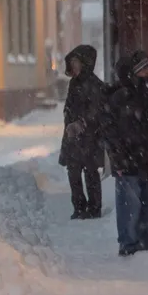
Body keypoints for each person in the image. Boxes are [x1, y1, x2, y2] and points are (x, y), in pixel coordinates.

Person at [104, 50, 148, 256]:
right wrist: (118, 158)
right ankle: (129, 244)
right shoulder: (120, 97)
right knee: (130, 204)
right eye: (143, 69)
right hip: (127, 160)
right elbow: (110, 131)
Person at [59, 45, 106, 219]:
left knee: (91, 172)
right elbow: (70, 107)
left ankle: (94, 209)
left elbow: (96, 111)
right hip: (73, 137)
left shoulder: (94, 84)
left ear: (85, 63)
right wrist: (68, 120)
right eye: (72, 62)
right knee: (73, 171)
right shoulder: (74, 83)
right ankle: (79, 207)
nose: (74, 65)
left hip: (90, 138)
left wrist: (82, 123)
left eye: (76, 62)